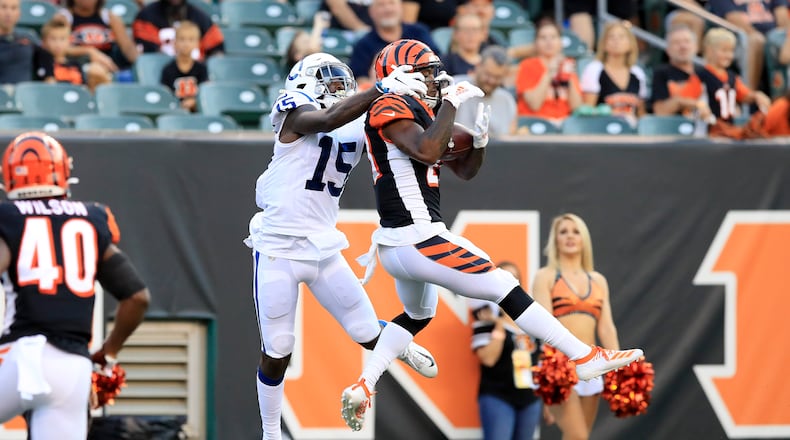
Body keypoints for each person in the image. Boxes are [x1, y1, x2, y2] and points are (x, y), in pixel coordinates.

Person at [339, 38, 643, 432]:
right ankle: (582, 356)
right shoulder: (388, 106)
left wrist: (478, 144)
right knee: (503, 283)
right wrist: (452, 105)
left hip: (401, 243)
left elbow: (464, 170)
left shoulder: (416, 113)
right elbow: (430, 151)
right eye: (427, 73)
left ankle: (365, 383)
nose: (436, 81)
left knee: (418, 314)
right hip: (416, 236)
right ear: (402, 76)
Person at [244, 52, 439, 440]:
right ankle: (270, 433)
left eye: (340, 82)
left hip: (323, 245)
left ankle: (393, 341)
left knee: (366, 331)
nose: (338, 88)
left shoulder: (359, 118)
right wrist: (381, 87)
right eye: (329, 81)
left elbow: (394, 135)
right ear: (304, 81)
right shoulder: (293, 110)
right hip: (279, 247)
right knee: (278, 347)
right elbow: (326, 120)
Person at [0, 132, 150, 439]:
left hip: (21, 354)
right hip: (72, 368)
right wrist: (107, 353)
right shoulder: (91, 217)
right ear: (64, 173)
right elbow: (137, 297)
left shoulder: (9, 217)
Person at [531, 213, 628, 440]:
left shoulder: (598, 280)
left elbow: (606, 328)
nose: (570, 237)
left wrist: (620, 368)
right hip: (559, 367)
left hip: (592, 366)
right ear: (554, 240)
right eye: (563, 232)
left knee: (581, 437)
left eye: (575, 231)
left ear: (584, 238)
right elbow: (543, 326)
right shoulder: (545, 277)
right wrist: (550, 372)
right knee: (577, 436)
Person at [470, 262, 542, 440]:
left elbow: (540, 361)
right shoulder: (486, 319)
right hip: (498, 396)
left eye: (513, 278)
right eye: (503, 277)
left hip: (531, 398)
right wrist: (499, 326)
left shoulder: (533, 323)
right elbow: (488, 359)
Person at [348, 0, 439, 85]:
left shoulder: (419, 33)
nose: (388, 9)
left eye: (392, 3)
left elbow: (436, 62)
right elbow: (359, 79)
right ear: (371, 12)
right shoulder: (364, 44)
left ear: (401, 7)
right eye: (381, 5)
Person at [709, 0, 789, 91]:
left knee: (780, 42)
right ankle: (750, 94)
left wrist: (778, 38)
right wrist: (764, 40)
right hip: (742, 38)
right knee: (757, 39)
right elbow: (734, 19)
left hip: (773, 38)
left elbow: (783, 18)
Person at [580, 21, 647, 127]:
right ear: (604, 44)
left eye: (621, 37)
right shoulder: (594, 69)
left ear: (630, 44)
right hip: (602, 128)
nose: (616, 41)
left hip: (631, 130)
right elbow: (588, 110)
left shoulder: (637, 73)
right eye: (611, 37)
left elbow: (641, 112)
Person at [515, 20, 582, 125]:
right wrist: (549, 73)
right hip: (536, 123)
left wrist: (570, 78)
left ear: (560, 42)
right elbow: (534, 104)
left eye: (553, 37)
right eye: (543, 37)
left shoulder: (567, 64)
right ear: (536, 43)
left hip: (564, 123)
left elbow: (577, 108)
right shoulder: (527, 65)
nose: (549, 42)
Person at [700, 27, 771, 124]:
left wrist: (757, 96)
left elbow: (744, 95)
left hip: (728, 128)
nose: (728, 55)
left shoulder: (732, 77)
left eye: (731, 51)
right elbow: (690, 98)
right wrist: (698, 105)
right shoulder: (700, 75)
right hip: (708, 129)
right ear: (709, 50)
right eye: (724, 51)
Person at [57, 0, 139, 77]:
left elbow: (127, 48)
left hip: (109, 65)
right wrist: (90, 51)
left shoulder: (110, 17)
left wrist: (142, 63)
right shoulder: (64, 18)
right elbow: (61, 48)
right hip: (79, 66)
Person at [651, 24, 712, 120]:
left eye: (687, 41)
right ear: (668, 49)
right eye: (676, 42)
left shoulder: (706, 73)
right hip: (673, 130)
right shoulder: (661, 73)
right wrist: (690, 103)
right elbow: (660, 111)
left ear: (696, 47)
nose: (683, 46)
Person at [455, 45, 517, 137]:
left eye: (497, 77)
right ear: (478, 66)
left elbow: (510, 136)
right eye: (488, 74)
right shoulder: (456, 86)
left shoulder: (507, 100)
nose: (491, 81)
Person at [133, 0, 224, 60]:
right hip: (162, 73)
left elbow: (217, 49)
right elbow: (149, 54)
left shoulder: (201, 17)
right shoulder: (147, 16)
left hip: (196, 72)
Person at [0, 0, 55, 85]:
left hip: (24, 94)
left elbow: (46, 56)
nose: (8, 13)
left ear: (19, 14)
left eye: (13, 8)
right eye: (3, 7)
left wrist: (49, 78)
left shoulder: (28, 37)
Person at [160, 20, 208, 113]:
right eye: (182, 39)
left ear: (197, 44)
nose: (186, 44)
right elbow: (166, 95)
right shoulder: (168, 70)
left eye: (191, 39)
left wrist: (194, 102)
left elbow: (204, 93)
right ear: (175, 43)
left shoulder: (201, 69)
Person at [41, 16, 87, 87]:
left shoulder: (76, 65)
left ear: (69, 41)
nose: (58, 44)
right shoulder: (42, 63)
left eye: (62, 39)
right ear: (44, 42)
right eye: (53, 39)